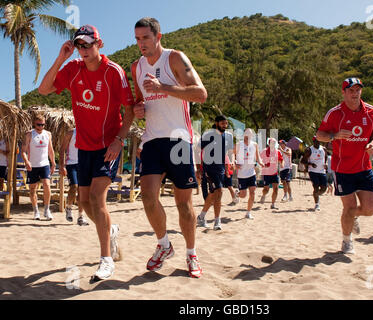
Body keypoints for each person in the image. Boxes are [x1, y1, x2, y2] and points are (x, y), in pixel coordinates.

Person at [38, 24, 135, 280]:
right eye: (79, 45)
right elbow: (43, 89)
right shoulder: (72, 69)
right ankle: (110, 230)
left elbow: (131, 110)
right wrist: (61, 57)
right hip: (84, 147)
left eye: (87, 44)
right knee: (83, 202)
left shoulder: (113, 72)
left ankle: (106, 260)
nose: (83, 49)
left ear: (99, 44)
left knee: (96, 198)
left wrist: (119, 140)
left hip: (108, 146)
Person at [132, 17, 208, 278]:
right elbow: (141, 102)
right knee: (148, 197)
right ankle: (164, 245)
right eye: (137, 39)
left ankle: (191, 254)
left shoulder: (174, 58)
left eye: (145, 38)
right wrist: (138, 109)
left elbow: (200, 93)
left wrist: (163, 86)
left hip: (178, 139)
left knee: (183, 204)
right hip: (152, 139)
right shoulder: (136, 67)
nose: (141, 43)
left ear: (158, 36)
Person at [316, 77, 373, 254]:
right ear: (343, 92)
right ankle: (346, 241)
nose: (355, 93)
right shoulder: (335, 113)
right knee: (349, 207)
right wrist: (334, 136)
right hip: (343, 169)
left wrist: (372, 143)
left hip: (364, 167)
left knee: (370, 209)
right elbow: (319, 135)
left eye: (358, 90)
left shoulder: (371, 111)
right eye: (351, 90)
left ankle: (353, 217)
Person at [197, 116, 233, 230]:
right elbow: (196, 150)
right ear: (216, 123)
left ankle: (201, 216)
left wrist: (230, 163)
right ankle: (217, 221)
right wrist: (198, 168)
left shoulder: (228, 136)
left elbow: (229, 152)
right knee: (219, 191)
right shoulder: (208, 135)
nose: (225, 125)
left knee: (213, 195)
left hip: (221, 169)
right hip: (209, 168)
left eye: (226, 123)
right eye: (222, 123)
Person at [22, 115, 56, 221]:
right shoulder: (29, 134)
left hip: (44, 164)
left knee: (47, 185)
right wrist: (27, 161)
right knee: (33, 189)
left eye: (42, 124)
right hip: (33, 165)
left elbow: (50, 150)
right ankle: (36, 211)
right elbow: (23, 150)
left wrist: (53, 163)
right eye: (38, 125)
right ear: (34, 124)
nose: (40, 127)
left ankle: (46, 209)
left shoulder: (48, 134)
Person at [60, 127, 89, 226]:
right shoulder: (71, 133)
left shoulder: (88, 132)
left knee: (82, 191)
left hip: (83, 165)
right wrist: (62, 165)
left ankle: (81, 216)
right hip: (71, 164)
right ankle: (68, 207)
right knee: (74, 186)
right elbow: (62, 149)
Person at [234, 128, 264, 219]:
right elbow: (232, 154)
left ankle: (248, 213)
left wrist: (261, 163)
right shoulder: (239, 144)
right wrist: (235, 162)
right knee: (243, 195)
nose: (248, 138)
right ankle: (237, 194)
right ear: (244, 135)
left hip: (251, 173)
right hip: (242, 174)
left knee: (253, 192)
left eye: (250, 136)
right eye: (246, 136)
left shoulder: (254, 145)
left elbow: (258, 157)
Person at [301, 137, 328, 212]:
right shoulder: (309, 150)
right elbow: (302, 161)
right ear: (313, 142)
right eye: (316, 141)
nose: (318, 142)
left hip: (322, 171)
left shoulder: (324, 149)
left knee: (324, 189)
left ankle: (316, 195)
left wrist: (325, 164)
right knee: (316, 187)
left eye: (319, 141)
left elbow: (325, 157)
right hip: (313, 171)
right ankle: (317, 204)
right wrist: (310, 164)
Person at [259, 138, 284, 210]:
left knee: (275, 189)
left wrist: (282, 164)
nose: (273, 144)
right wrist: (263, 164)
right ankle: (263, 195)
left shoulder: (277, 152)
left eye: (274, 143)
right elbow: (259, 160)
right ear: (269, 144)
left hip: (275, 173)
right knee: (266, 189)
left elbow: (281, 159)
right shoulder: (264, 151)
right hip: (266, 173)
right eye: (272, 143)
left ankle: (273, 204)